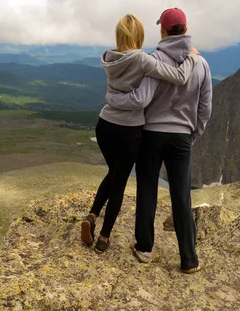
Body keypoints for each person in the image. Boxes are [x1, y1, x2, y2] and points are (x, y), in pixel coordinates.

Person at [81, 14, 199, 254]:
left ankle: (93, 215)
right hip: (129, 130)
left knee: (113, 173)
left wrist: (111, 98)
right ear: (140, 36)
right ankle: (103, 237)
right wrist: (192, 58)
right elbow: (178, 77)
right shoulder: (143, 60)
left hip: (104, 124)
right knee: (119, 182)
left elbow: (113, 91)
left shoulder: (109, 58)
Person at [106, 8, 212, 273]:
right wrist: (192, 135)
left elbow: (142, 99)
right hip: (181, 137)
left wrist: (113, 100)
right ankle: (189, 259)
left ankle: (144, 248)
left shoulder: (153, 60)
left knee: (147, 190)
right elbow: (205, 108)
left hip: (151, 135)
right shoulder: (200, 63)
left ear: (162, 31)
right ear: (185, 30)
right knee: (181, 197)